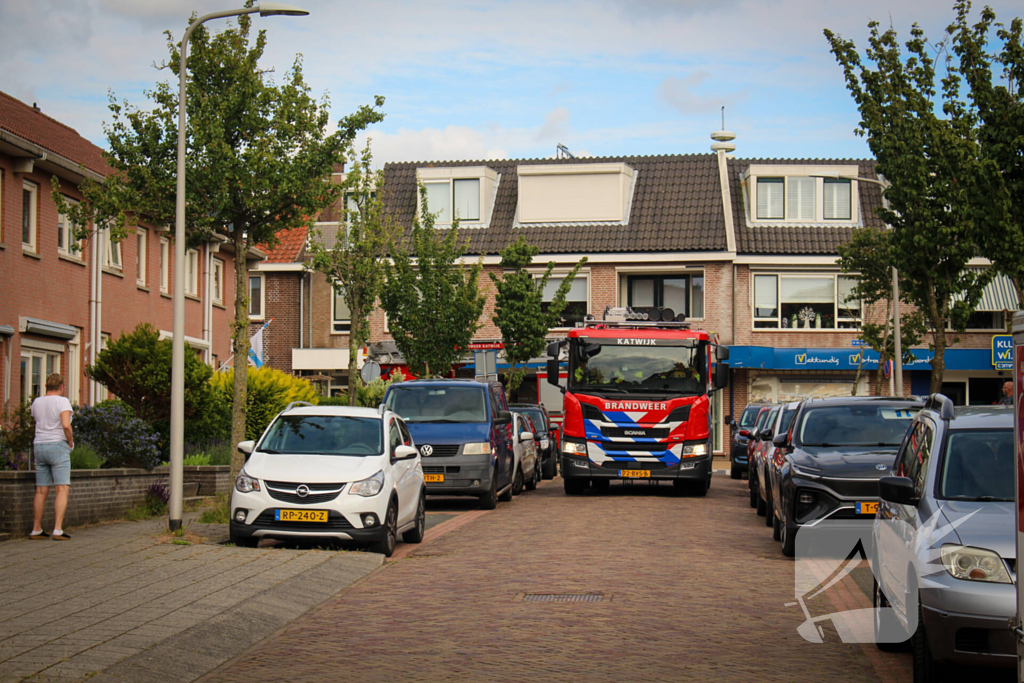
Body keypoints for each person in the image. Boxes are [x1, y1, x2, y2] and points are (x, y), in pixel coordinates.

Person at [29, 373, 74, 540]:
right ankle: (57, 529)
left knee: (41, 490)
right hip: (57, 446)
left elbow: (38, 421)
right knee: (62, 488)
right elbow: (65, 424)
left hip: (39, 445)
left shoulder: (36, 402)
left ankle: (36, 528)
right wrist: (70, 440)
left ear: (46, 386)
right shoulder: (63, 401)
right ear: (61, 387)